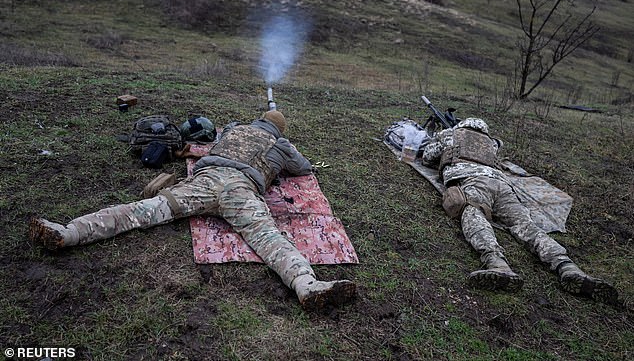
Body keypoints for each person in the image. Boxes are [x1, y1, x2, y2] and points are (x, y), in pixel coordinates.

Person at [30, 110, 357, 311]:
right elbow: (302, 170)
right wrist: (287, 151)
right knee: (269, 239)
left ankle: (69, 232)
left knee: (144, 210)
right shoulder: (280, 144)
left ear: (258, 121)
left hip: (204, 181)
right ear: (279, 130)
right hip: (239, 190)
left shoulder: (234, 129)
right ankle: (306, 285)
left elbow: (218, 136)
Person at [422, 117, 618, 305]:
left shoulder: (451, 134)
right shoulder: (491, 144)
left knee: (472, 211)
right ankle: (567, 266)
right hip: (503, 186)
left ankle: (497, 263)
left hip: (473, 180)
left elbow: (428, 157)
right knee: (525, 225)